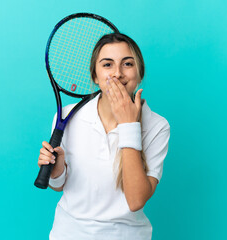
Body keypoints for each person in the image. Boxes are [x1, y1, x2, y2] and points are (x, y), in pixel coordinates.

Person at [37, 33, 170, 240]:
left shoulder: (157, 126)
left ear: (139, 73)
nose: (117, 73)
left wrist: (128, 125)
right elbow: (59, 186)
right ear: (95, 77)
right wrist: (57, 171)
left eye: (127, 64)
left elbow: (136, 201)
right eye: (107, 65)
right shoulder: (65, 117)